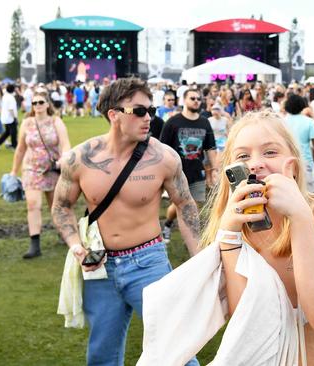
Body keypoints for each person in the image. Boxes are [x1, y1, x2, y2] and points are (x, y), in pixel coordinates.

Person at [201, 110, 314, 364]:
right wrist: (228, 238)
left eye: (270, 152)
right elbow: (249, 325)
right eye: (243, 156)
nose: (255, 163)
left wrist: (300, 216)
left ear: (292, 164)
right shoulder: (236, 234)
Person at [51, 77, 201, 366]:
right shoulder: (79, 158)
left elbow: (185, 205)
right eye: (139, 111)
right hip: (100, 269)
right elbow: (61, 205)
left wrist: (199, 259)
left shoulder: (164, 158)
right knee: (101, 355)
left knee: (177, 348)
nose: (149, 118)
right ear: (114, 115)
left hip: (149, 263)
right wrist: (76, 245)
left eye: (152, 110)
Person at [10, 91, 70, 259]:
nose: (37, 106)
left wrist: (64, 159)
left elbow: (65, 144)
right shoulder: (27, 123)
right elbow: (20, 148)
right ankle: (34, 244)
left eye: (40, 102)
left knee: (56, 207)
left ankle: (65, 234)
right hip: (31, 169)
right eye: (34, 103)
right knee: (32, 205)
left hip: (52, 169)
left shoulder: (56, 122)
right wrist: (13, 171)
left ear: (47, 104)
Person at [160, 88, 217, 242]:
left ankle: (192, 238)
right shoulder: (173, 122)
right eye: (193, 98)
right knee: (179, 205)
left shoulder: (204, 122)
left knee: (193, 205)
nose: (196, 101)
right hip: (177, 172)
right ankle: (168, 224)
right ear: (184, 100)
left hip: (197, 171)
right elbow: (162, 148)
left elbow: (210, 148)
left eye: (199, 99)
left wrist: (215, 169)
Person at [283, 94, 314, 193]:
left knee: (290, 194)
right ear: (303, 106)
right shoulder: (309, 122)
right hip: (305, 162)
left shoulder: (282, 122)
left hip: (286, 163)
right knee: (311, 194)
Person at [0, 84, 18, 150]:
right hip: (10, 117)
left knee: (7, 132)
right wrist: (14, 118)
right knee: (14, 132)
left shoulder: (5, 96)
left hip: (5, 117)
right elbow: (11, 109)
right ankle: (14, 145)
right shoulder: (11, 97)